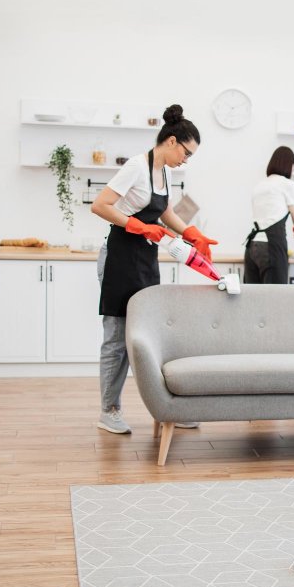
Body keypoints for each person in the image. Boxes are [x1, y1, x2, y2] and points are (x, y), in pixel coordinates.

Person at [91, 104, 218, 434]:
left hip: (145, 259)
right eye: (186, 153)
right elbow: (101, 205)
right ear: (172, 141)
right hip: (119, 256)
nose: (186, 160)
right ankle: (110, 409)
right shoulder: (136, 166)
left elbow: (166, 213)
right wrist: (136, 226)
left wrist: (191, 233)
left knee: (149, 335)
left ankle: (166, 409)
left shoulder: (165, 172)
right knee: (117, 338)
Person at [243, 146, 294, 284]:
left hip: (252, 246)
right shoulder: (287, 184)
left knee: (253, 298)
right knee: (276, 298)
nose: (292, 172)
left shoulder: (259, 185)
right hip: (272, 247)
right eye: (293, 168)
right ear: (288, 165)